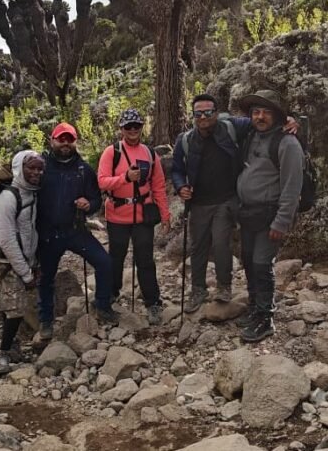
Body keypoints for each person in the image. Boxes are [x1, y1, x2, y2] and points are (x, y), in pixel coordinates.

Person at [171, 94, 253, 312]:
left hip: (226, 200)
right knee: (198, 247)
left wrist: (289, 120)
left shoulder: (230, 127)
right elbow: (177, 170)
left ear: (216, 112)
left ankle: (224, 286)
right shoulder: (185, 140)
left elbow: (259, 121)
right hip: (198, 203)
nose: (203, 117)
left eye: (208, 112)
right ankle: (198, 290)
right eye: (198, 113)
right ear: (193, 116)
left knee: (220, 244)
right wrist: (181, 187)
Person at [37, 123, 119, 338]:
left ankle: (102, 305)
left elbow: (95, 201)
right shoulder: (40, 166)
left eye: (69, 139)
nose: (65, 143)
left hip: (76, 230)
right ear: (51, 140)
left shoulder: (84, 169)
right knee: (45, 277)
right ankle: (45, 320)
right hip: (47, 234)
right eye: (61, 139)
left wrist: (88, 205)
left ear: (75, 142)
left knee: (104, 262)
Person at [235, 90, 304, 342]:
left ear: (277, 115)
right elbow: (219, 119)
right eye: (256, 112)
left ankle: (265, 318)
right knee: (249, 260)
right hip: (248, 213)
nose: (260, 116)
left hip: (271, 214)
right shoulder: (251, 136)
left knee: (262, 264)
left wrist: (282, 221)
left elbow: (292, 186)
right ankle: (255, 308)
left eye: (265, 112)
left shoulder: (287, 143)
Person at [97, 109, 171, 325]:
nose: (132, 130)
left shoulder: (149, 153)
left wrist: (165, 214)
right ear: (121, 129)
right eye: (128, 126)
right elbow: (101, 181)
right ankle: (111, 293)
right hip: (117, 215)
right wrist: (125, 178)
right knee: (116, 258)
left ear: (141, 127)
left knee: (145, 260)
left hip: (142, 215)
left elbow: (158, 186)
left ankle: (153, 302)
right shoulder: (112, 152)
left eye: (136, 126)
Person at [0, 150, 45, 374]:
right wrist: (25, 272)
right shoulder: (7, 198)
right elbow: (6, 239)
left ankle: (11, 345)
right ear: (18, 168)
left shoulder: (31, 193)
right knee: (15, 309)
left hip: (25, 259)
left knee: (10, 303)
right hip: (9, 261)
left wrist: (33, 262)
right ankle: (3, 354)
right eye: (30, 168)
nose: (35, 172)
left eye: (38, 168)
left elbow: (28, 230)